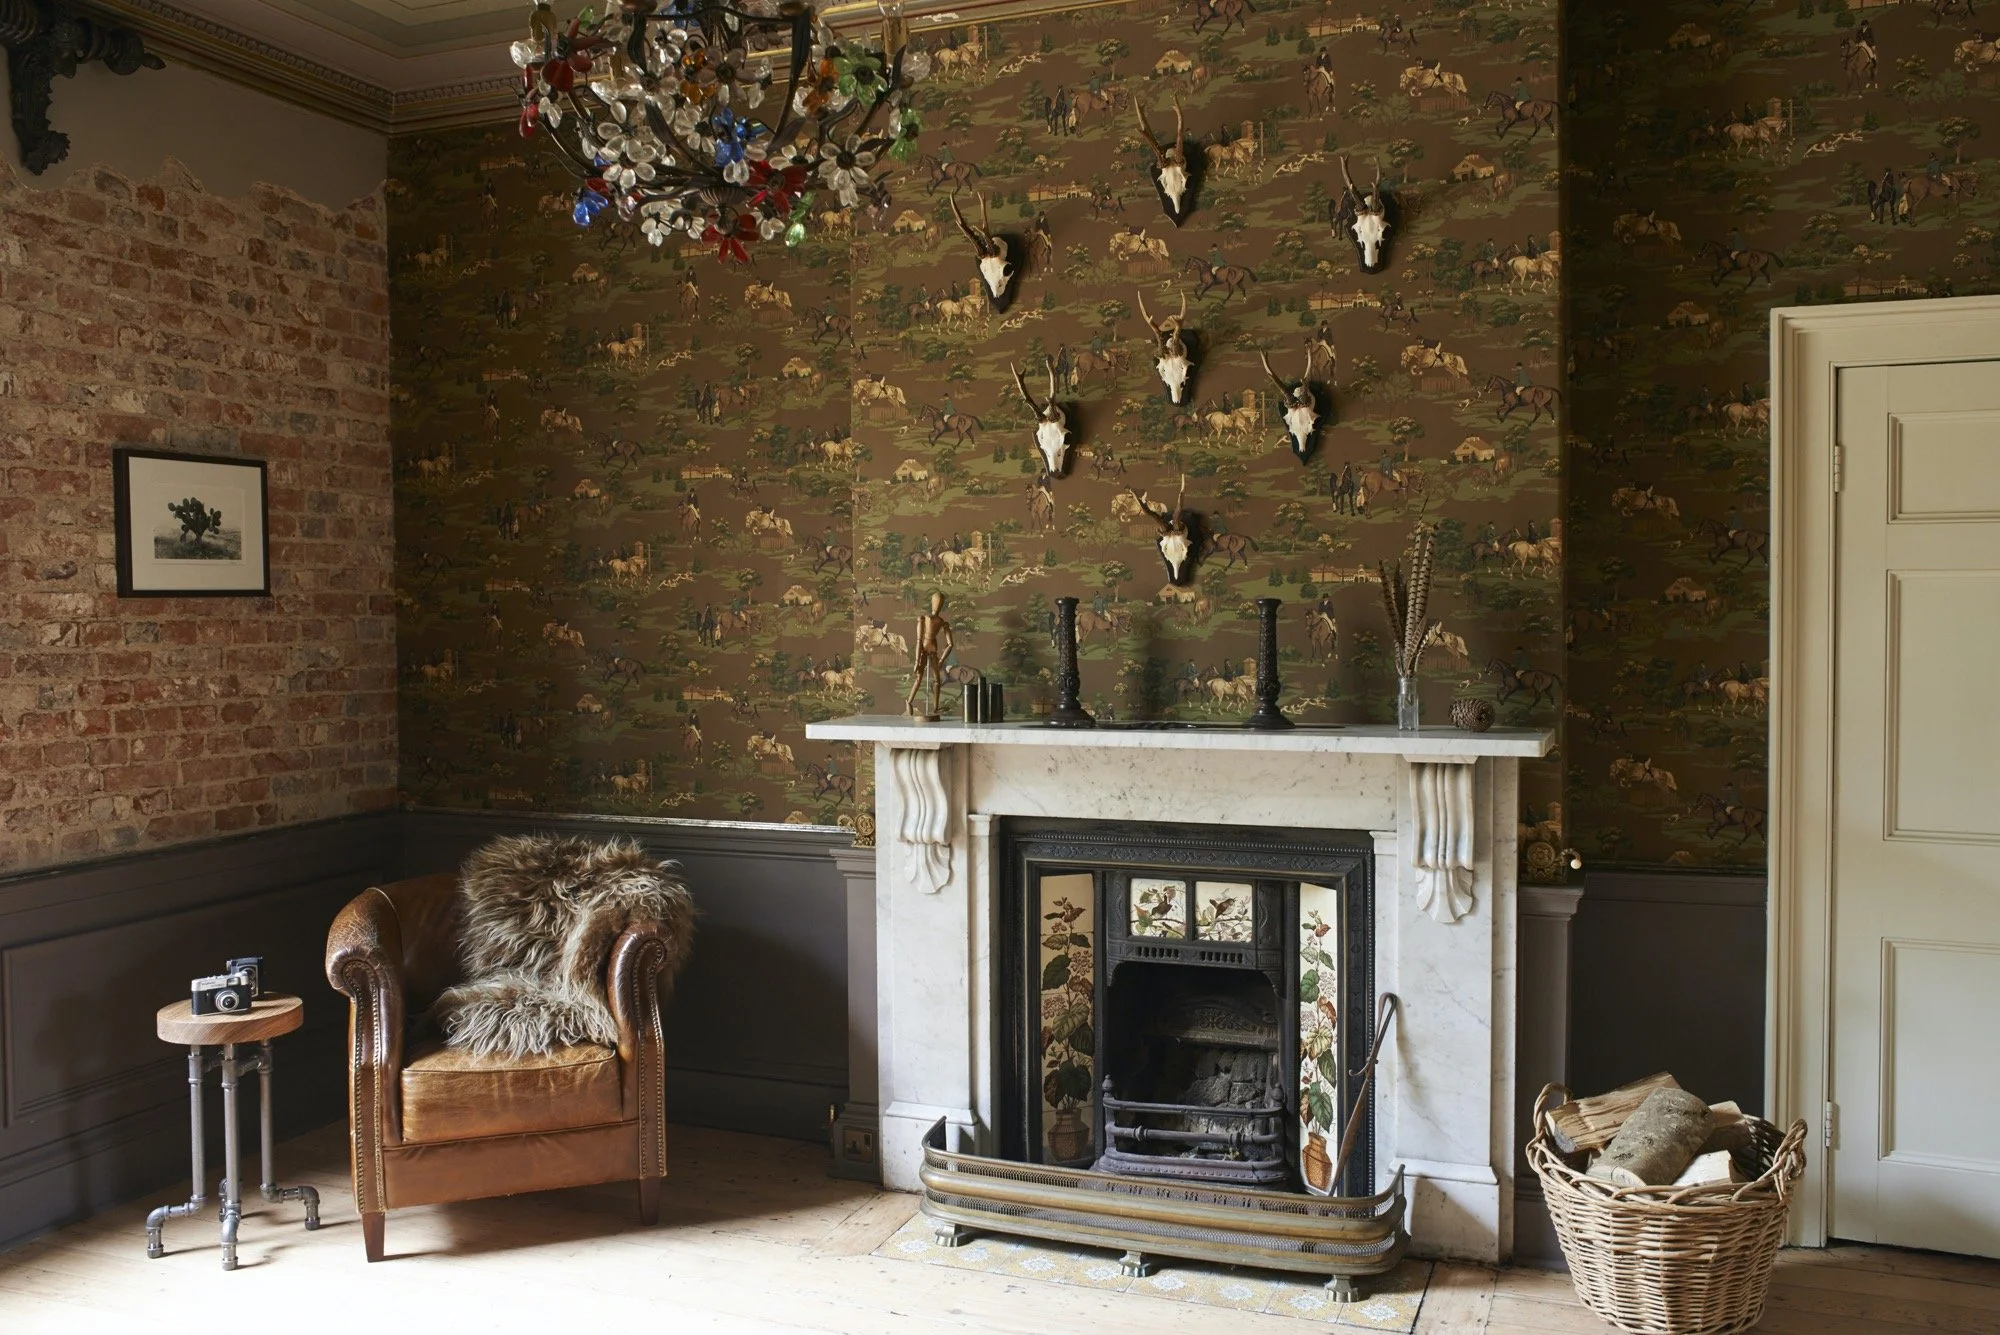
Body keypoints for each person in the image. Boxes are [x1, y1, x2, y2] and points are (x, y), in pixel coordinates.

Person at [905, 592, 955, 719]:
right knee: (919, 677)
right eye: (937, 602)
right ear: (933, 603)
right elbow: (918, 640)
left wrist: (942, 659)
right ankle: (909, 701)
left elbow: (950, 644)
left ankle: (935, 707)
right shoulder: (924, 619)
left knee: (937, 680)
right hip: (923, 648)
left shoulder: (942, 622)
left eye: (941, 603)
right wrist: (917, 660)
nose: (938, 605)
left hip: (933, 649)